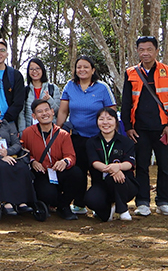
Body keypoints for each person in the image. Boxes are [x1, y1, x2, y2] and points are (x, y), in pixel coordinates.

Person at [56, 55, 116, 214]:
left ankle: (99, 204)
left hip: (98, 138)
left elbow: (112, 111)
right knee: (79, 171)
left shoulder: (102, 87)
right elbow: (63, 111)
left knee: (97, 171)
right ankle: (79, 203)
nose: (82, 70)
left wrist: (110, 132)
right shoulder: (70, 86)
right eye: (79, 67)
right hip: (76, 137)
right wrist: (56, 130)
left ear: (93, 70)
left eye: (86, 67)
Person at [122, 36, 168, 216]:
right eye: (142, 49)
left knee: (165, 166)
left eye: (149, 49)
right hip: (139, 129)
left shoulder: (165, 71)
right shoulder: (131, 73)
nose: (145, 53)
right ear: (137, 51)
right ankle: (142, 202)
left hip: (162, 128)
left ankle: (163, 200)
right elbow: (126, 102)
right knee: (141, 165)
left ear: (156, 51)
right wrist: (128, 127)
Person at [20, 99, 84, 220]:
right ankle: (50, 203)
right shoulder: (27, 133)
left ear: (52, 111)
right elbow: (23, 153)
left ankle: (64, 206)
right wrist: (33, 161)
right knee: (48, 195)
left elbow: (71, 156)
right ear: (34, 116)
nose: (44, 114)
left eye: (46, 110)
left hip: (58, 171)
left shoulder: (63, 134)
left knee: (77, 174)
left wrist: (64, 162)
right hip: (41, 173)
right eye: (39, 112)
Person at [85, 108, 138, 221]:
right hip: (101, 184)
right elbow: (94, 163)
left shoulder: (126, 142)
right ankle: (109, 208)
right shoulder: (91, 142)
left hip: (125, 183)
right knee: (91, 199)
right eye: (101, 119)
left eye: (109, 119)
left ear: (116, 121)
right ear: (97, 122)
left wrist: (118, 167)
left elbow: (129, 163)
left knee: (115, 177)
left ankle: (123, 209)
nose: (105, 123)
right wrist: (112, 169)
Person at [19, 58, 61, 133]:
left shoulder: (53, 88)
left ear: (42, 70)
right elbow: (21, 114)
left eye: (37, 68)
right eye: (31, 69)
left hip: (50, 131)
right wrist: (23, 132)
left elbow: (58, 112)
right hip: (31, 131)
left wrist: (49, 100)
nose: (34, 71)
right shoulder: (25, 90)